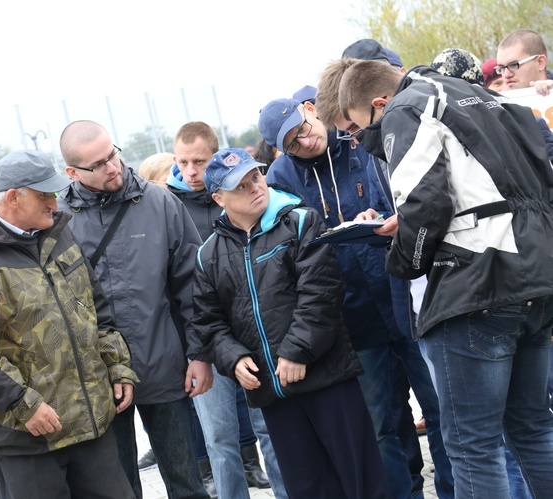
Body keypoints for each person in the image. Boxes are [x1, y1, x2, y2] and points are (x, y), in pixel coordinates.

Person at [338, 57, 553, 498]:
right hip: (537, 275)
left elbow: (424, 206)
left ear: (380, 103)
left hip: (479, 285)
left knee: (473, 446)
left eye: (359, 130)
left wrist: (400, 261)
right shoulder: (480, 95)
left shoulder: (407, 106)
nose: (360, 143)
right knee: (533, 428)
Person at [192, 147, 389, 498]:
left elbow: (322, 293)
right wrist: (233, 359)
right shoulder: (208, 254)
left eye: (256, 176)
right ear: (219, 198)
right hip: (273, 392)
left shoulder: (301, 221)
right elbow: (209, 321)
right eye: (241, 185)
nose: (255, 186)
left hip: (326, 377)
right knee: (307, 489)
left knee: (362, 481)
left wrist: (297, 352)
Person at [0, 150, 137, 498]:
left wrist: (117, 366)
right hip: (25, 435)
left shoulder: (58, 233)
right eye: (45, 194)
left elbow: (96, 308)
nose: (55, 202)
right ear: (13, 196)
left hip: (89, 422)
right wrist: (21, 403)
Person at [259, 91, 422, 499]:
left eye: (303, 129)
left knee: (439, 411)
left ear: (311, 109)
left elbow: (403, 198)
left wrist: (377, 215)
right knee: (382, 425)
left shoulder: (361, 142)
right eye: (291, 142)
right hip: (352, 316)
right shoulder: (281, 178)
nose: (304, 141)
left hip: (403, 293)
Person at [58, 121, 213, 499]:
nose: (112, 167)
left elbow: (193, 286)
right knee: (118, 490)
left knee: (187, 484)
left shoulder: (160, 202)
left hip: (164, 365)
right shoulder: (57, 218)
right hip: (99, 376)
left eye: (113, 154)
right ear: (72, 173)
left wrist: (199, 353)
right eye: (98, 164)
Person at [167, 121, 284, 499]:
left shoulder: (245, 194)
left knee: (270, 426)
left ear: (214, 156)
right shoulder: (165, 205)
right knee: (219, 438)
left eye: (199, 161)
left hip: (254, 331)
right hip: (202, 338)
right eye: (182, 162)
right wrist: (193, 350)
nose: (190, 171)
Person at [496, 29, 552, 94]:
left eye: (514, 65)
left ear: (540, 63)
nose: (506, 75)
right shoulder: (497, 100)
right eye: (501, 68)